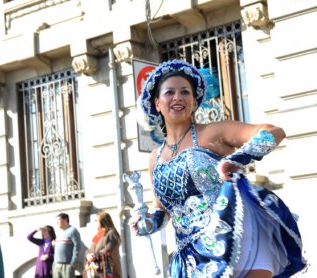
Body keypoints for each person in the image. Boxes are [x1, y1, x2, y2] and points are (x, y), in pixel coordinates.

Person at [131, 59, 307, 277]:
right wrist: (148, 222)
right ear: (157, 103)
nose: (178, 97)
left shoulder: (213, 132)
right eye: (170, 92)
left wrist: (239, 158)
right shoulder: (155, 159)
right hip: (189, 259)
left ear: (194, 102)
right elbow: (163, 209)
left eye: (185, 92)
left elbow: (274, 131)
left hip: (233, 239)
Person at [83, 211, 122, 278]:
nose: (95, 222)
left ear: (103, 221)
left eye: (96, 220)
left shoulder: (112, 233)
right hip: (96, 270)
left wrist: (93, 256)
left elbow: (108, 250)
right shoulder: (98, 235)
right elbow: (90, 250)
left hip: (109, 270)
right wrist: (87, 255)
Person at [53, 212, 82, 278]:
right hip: (57, 265)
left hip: (67, 265)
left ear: (65, 219)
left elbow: (77, 246)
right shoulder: (59, 232)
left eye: (58, 220)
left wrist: (73, 262)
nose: (57, 222)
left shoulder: (73, 230)